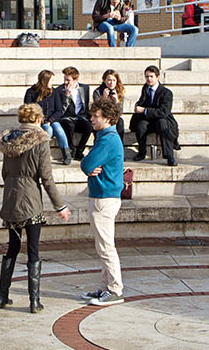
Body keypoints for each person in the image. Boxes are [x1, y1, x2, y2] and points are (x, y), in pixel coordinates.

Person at [0, 103, 72, 312]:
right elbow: (46, 177)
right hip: (30, 200)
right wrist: (60, 205)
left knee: (12, 247)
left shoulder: (9, 140)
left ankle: (2, 297)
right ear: (38, 120)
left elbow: (4, 173)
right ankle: (34, 301)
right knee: (33, 249)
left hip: (11, 198)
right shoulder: (40, 141)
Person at [78, 96, 125, 306]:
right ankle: (105, 287)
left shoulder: (108, 139)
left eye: (95, 116)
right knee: (102, 246)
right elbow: (89, 164)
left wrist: (88, 166)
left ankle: (114, 289)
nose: (92, 119)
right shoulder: (104, 137)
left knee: (106, 247)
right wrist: (89, 165)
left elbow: (87, 164)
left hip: (104, 198)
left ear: (107, 118)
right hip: (101, 196)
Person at [130, 65, 177, 166]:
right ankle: (142, 153)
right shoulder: (145, 88)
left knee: (162, 124)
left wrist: (144, 110)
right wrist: (138, 105)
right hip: (148, 119)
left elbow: (163, 112)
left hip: (162, 119)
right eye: (147, 76)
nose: (149, 79)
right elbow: (143, 101)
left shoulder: (166, 93)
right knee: (141, 126)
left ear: (157, 77)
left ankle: (169, 156)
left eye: (151, 76)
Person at [21, 70, 70, 164]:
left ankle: (67, 154)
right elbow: (28, 109)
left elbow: (59, 110)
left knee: (58, 128)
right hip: (38, 121)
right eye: (51, 80)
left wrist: (51, 120)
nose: (52, 83)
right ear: (45, 80)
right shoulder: (31, 92)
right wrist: (41, 120)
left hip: (52, 119)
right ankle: (42, 154)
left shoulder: (54, 92)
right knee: (48, 129)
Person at [54, 67, 93, 162]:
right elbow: (61, 110)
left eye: (68, 80)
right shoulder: (59, 90)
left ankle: (79, 151)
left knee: (89, 125)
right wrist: (67, 97)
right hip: (67, 118)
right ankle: (71, 149)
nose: (65, 82)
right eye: (64, 79)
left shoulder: (84, 88)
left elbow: (86, 106)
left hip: (80, 117)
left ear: (76, 80)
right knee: (69, 124)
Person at [90, 69, 132, 148]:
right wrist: (104, 98)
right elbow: (97, 110)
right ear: (104, 80)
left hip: (113, 117)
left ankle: (119, 146)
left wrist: (116, 101)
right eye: (109, 80)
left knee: (120, 122)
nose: (111, 83)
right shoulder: (97, 92)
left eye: (114, 80)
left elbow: (120, 112)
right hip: (102, 117)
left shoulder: (119, 92)